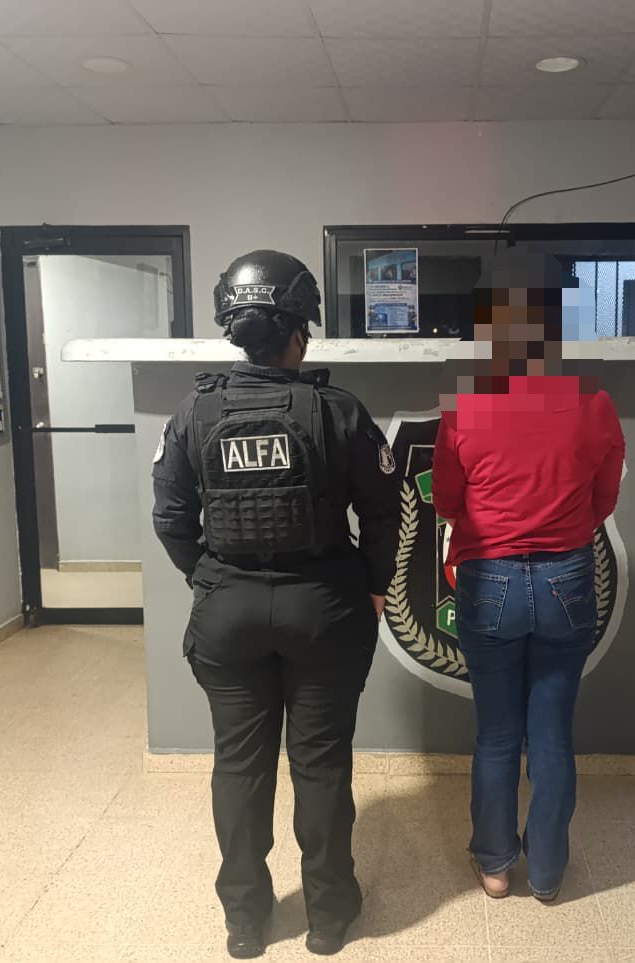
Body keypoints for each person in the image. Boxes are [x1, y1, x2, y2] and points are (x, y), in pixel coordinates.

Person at [152, 250, 400, 958]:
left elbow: (170, 518)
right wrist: (376, 585)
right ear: (297, 331)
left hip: (227, 612)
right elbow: (384, 511)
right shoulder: (337, 410)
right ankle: (328, 917)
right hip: (324, 609)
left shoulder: (193, 411)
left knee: (239, 765)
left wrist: (210, 580)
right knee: (320, 765)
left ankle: (244, 921)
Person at [431, 249, 625, 903]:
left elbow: (447, 501)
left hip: (489, 581)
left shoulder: (465, 408)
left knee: (495, 734)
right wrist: (559, 530)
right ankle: (546, 870)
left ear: (488, 325)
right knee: (552, 734)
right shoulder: (595, 404)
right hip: (567, 578)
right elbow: (603, 499)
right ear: (558, 322)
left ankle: (494, 865)